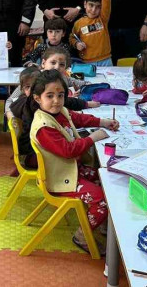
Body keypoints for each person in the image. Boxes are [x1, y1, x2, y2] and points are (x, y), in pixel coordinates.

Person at [30, 70, 119, 254]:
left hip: (70, 170)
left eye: (60, 95)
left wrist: (103, 121)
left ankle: (101, 223)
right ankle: (81, 235)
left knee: (107, 178)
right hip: (60, 179)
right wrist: (93, 138)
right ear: (38, 98)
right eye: (50, 96)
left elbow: (77, 118)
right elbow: (68, 151)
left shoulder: (59, 111)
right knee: (101, 199)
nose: (56, 100)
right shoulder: (44, 127)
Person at [7, 66, 96, 169]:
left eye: (60, 96)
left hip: (43, 144)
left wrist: (87, 105)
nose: (56, 101)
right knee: (74, 156)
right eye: (28, 87)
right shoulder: (32, 108)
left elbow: (70, 108)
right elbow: (66, 150)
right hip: (32, 151)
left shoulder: (49, 104)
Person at [70, 0, 113, 66]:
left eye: (98, 7)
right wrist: (77, 44)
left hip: (106, 60)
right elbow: (72, 37)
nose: (93, 10)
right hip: (86, 62)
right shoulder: (78, 23)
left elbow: (106, 5)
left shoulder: (102, 18)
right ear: (85, 4)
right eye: (91, 5)